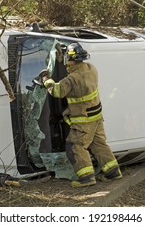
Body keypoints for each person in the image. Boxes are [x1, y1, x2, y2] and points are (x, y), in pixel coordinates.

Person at [39, 42, 122, 188]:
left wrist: (46, 79)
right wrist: (60, 61)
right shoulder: (91, 69)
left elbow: (57, 91)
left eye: (67, 59)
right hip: (96, 117)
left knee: (75, 146)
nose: (66, 62)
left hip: (83, 120)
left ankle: (86, 177)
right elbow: (74, 74)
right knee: (98, 144)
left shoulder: (72, 79)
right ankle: (113, 172)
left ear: (71, 59)